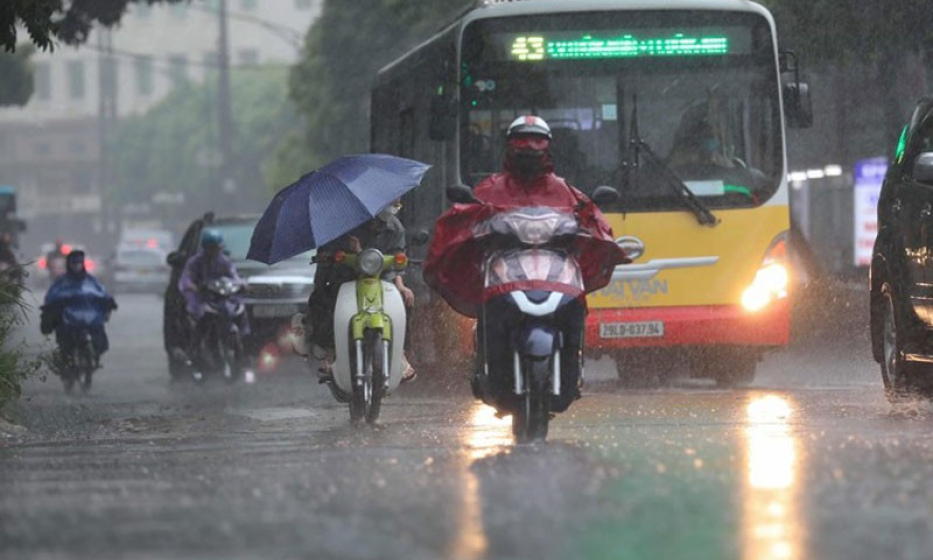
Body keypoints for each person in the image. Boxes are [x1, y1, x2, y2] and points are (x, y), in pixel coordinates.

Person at [304, 200, 416, 382]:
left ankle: (401, 354)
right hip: (345, 277)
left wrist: (401, 285)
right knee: (326, 300)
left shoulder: (396, 228)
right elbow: (327, 251)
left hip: (381, 278)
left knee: (405, 300)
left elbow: (396, 260)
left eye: (396, 204)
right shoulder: (345, 225)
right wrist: (337, 252)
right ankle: (330, 352)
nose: (393, 206)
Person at [178, 229, 249, 381]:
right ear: (205, 249)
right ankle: (194, 351)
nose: (214, 252)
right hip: (202, 299)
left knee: (239, 309)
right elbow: (186, 278)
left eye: (217, 249)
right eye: (211, 249)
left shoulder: (224, 261)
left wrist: (242, 285)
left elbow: (234, 276)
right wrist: (192, 286)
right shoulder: (195, 262)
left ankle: (243, 339)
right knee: (201, 316)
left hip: (222, 298)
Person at [40, 250, 117, 372]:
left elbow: (102, 293)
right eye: (74, 263)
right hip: (68, 319)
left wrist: (108, 303)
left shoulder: (91, 280)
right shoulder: (61, 281)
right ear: (69, 264)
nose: (76, 266)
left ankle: (94, 355)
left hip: (89, 318)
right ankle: (64, 361)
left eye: (79, 263)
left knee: (98, 337)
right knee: (63, 336)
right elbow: (51, 296)